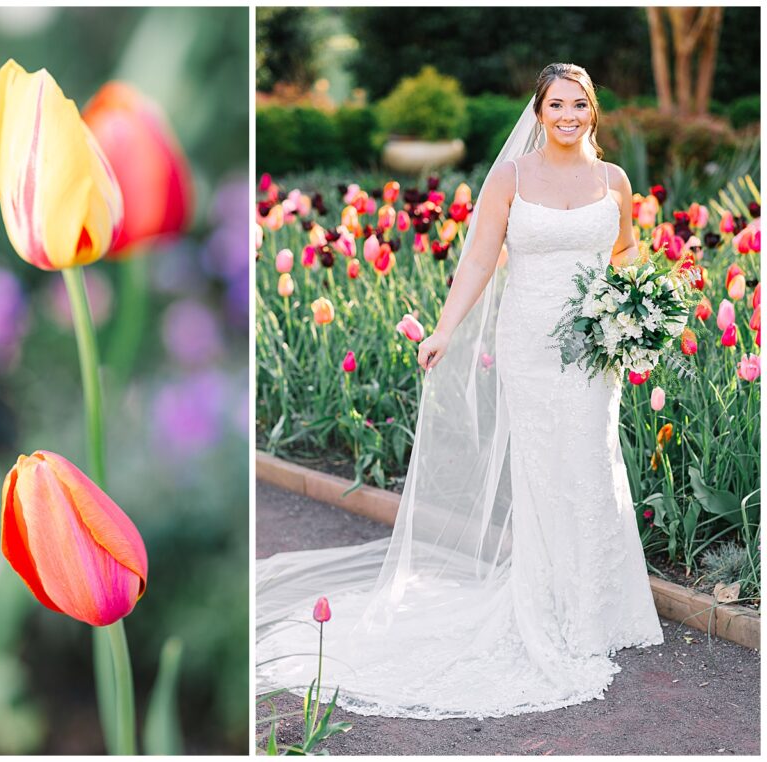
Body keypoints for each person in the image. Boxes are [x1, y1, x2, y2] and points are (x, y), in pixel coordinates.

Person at [256, 63, 664, 721]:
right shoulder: (512, 178)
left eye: (579, 104)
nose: (568, 115)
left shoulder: (613, 181)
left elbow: (624, 254)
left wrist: (633, 311)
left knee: (591, 467)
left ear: (593, 111)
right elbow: (479, 258)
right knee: (542, 475)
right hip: (531, 344)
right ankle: (549, 614)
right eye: (556, 104)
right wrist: (445, 330)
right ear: (538, 112)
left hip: (595, 348)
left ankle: (597, 611)